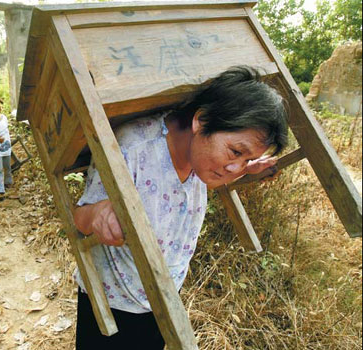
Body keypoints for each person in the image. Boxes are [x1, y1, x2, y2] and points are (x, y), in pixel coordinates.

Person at [73, 66, 289, 350]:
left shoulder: (204, 158)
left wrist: (248, 169)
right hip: (114, 303)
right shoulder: (132, 149)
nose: (235, 167)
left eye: (247, 159)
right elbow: (79, 216)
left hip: (166, 296)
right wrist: (98, 214)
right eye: (236, 152)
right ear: (201, 120)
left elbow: (218, 172)